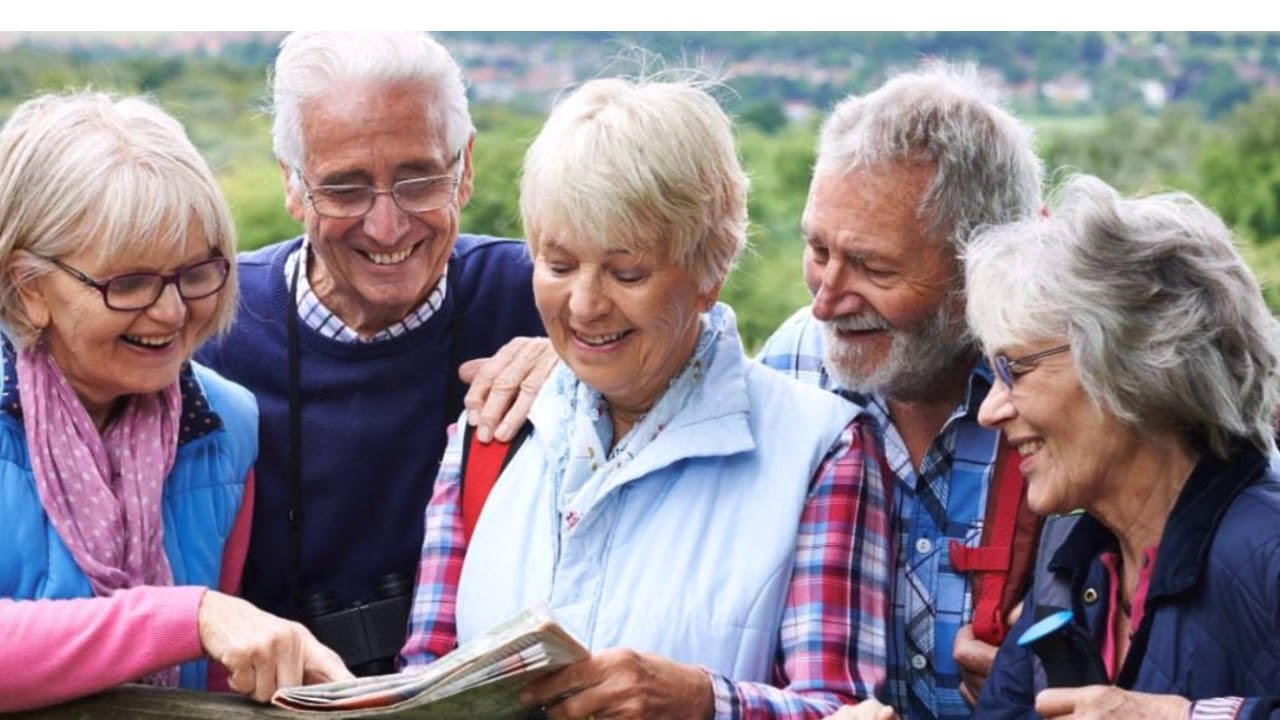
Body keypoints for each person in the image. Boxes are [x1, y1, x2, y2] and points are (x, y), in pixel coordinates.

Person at [463, 61, 1045, 720]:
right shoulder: (799, 358)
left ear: (980, 265)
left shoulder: (1062, 396)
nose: (824, 302)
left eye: (873, 267)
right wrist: (574, 361)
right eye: (818, 251)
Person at [399, 75, 891, 719]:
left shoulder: (822, 450)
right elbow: (423, 679)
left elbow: (849, 710)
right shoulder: (489, 433)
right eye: (558, 264)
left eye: (627, 273)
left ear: (711, 269)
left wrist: (703, 703)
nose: (584, 305)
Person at [195, 31, 545, 674]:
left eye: (418, 181)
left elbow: (690, 332)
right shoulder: (212, 323)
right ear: (294, 187)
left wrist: (582, 363)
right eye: (346, 189)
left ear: (464, 169)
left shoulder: (544, 296)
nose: (386, 226)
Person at [0, 92, 351, 712]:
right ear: (28, 288)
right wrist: (187, 617)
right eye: (128, 283)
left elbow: (217, 684)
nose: (170, 312)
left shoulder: (226, 423)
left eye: (196, 273)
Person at [965, 173, 1280, 719]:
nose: (989, 411)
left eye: (1014, 369)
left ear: (1130, 363)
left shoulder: (1268, 547)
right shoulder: (1073, 556)